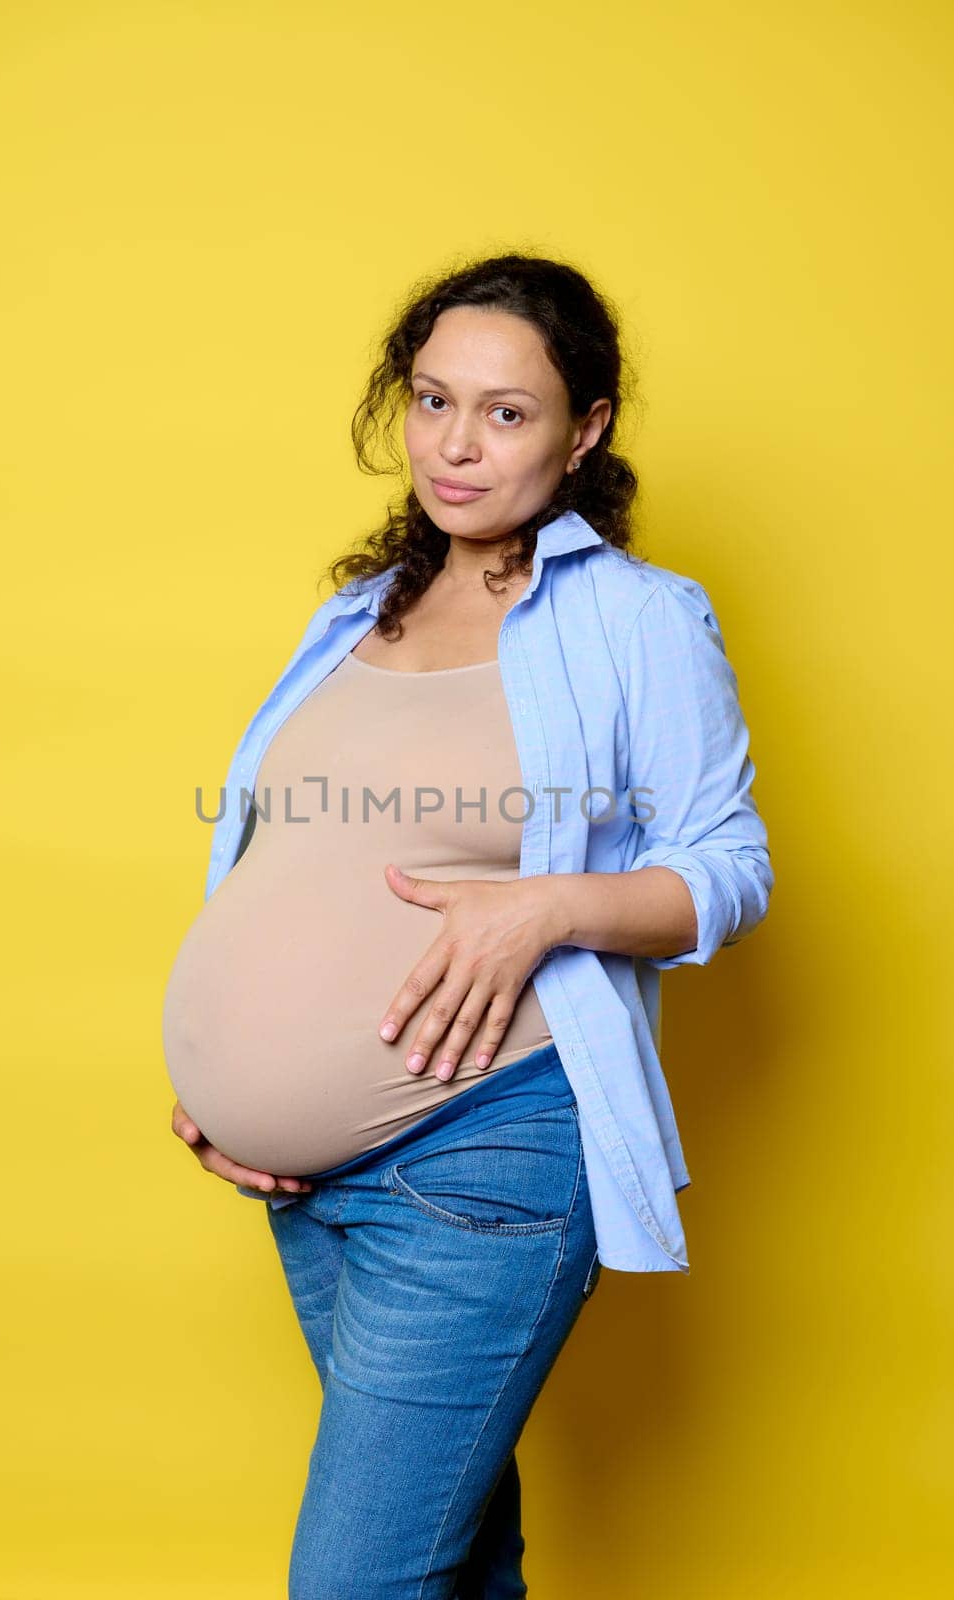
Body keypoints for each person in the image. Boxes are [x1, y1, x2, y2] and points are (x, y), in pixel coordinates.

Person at [166, 252, 773, 1598]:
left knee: (361, 1581)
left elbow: (726, 869)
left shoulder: (634, 621)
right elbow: (288, 852)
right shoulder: (351, 618)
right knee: (450, 1554)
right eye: (433, 400)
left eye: (505, 412)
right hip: (306, 1185)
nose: (455, 444)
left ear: (585, 429)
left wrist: (545, 907)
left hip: (480, 1157)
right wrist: (228, 1077)